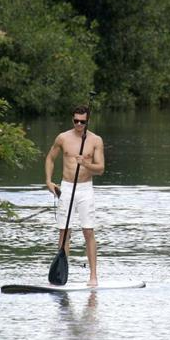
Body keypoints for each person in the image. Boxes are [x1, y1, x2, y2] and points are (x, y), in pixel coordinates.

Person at [45, 106, 105, 286]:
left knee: (88, 231)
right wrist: (49, 181)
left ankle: (93, 276)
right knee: (64, 232)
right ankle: (61, 274)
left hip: (85, 189)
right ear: (72, 120)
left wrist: (86, 164)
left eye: (83, 122)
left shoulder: (95, 140)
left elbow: (101, 169)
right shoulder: (63, 138)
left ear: (88, 121)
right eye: (76, 121)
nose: (79, 124)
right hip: (67, 187)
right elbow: (50, 158)